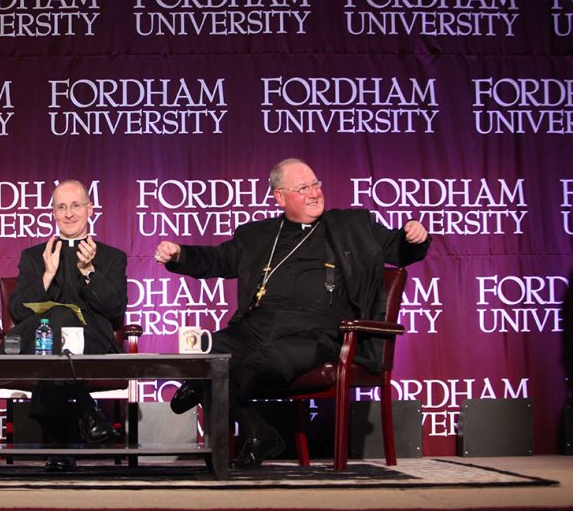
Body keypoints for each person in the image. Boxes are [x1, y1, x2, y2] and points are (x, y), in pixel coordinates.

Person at [154, 158, 431, 469]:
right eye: (303, 188)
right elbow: (218, 259)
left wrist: (414, 236)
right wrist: (180, 254)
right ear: (280, 197)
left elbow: (400, 249)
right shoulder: (257, 235)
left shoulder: (353, 225)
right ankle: (258, 433)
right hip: (256, 326)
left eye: (316, 184)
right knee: (207, 354)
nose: (314, 193)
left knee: (251, 364)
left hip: (316, 331)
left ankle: (207, 392)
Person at [6, 180, 127, 471]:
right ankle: (89, 413)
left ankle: (60, 448)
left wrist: (90, 274)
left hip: (92, 344)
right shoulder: (34, 257)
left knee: (58, 321)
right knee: (55, 323)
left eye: (76, 205)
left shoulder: (111, 257)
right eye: (61, 207)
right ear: (53, 213)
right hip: (40, 343)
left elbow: (115, 310)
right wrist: (47, 275)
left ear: (90, 209)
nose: (69, 213)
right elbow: (18, 312)